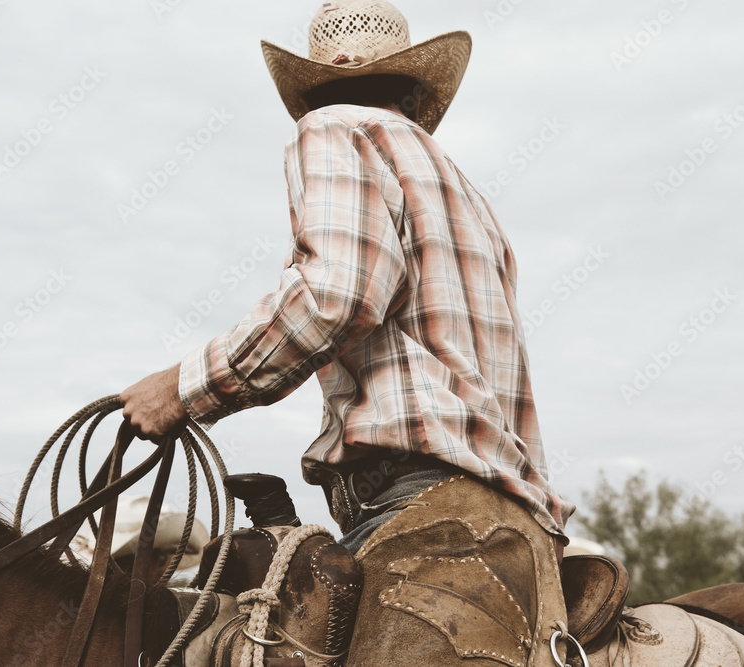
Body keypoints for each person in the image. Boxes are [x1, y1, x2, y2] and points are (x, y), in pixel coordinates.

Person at [119, 1, 577, 663]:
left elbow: (338, 291)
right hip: (511, 518)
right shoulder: (469, 196)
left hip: (421, 505)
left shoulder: (332, 127)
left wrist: (184, 387)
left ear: (320, 81)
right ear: (415, 88)